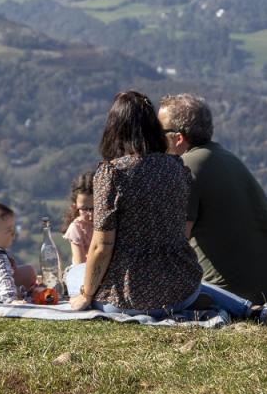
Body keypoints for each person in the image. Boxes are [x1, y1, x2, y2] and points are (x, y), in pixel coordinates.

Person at [68, 90, 203, 316]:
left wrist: (86, 294)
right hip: (183, 293)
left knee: (72, 274)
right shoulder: (177, 167)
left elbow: (102, 246)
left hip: (127, 299)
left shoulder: (112, 174)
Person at [158, 94, 267, 304]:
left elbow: (174, 243)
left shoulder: (184, 168)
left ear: (178, 138)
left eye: (159, 132)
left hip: (234, 289)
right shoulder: (226, 156)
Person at [62, 172, 95, 265]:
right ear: (75, 206)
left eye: (95, 208)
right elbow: (80, 263)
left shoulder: (110, 222)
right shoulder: (76, 228)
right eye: (84, 209)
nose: (90, 214)